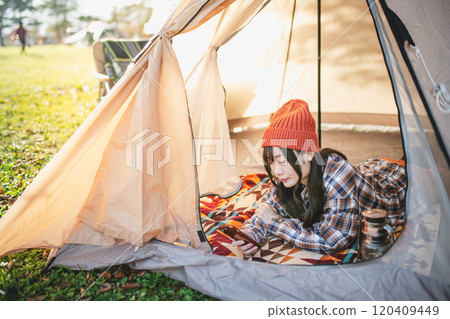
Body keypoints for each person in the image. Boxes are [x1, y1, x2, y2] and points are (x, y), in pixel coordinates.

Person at [232, 99, 407, 256]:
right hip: (365, 170)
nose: (276, 171)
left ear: (308, 153)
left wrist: (275, 223)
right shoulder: (289, 175)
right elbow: (267, 209)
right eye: (271, 162)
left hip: (391, 179)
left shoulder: (339, 175)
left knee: (410, 165)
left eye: (282, 161)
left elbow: (335, 239)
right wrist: (250, 234)